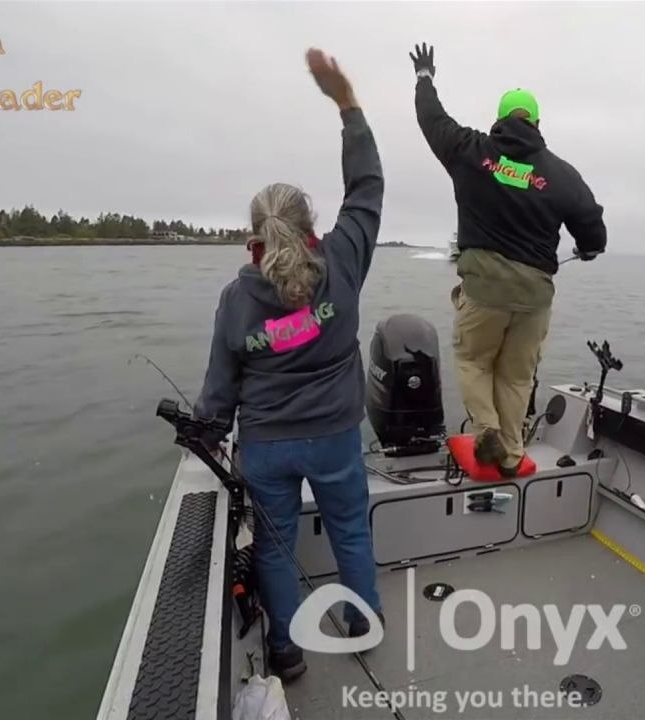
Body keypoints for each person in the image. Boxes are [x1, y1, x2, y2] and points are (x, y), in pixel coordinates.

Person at [193, 48, 383, 683]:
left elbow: (218, 396)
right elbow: (368, 189)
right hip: (335, 439)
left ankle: (286, 652)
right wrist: (347, 104)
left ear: (255, 235)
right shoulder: (346, 258)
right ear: (311, 228)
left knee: (275, 547)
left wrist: (206, 430)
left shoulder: (236, 297)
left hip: (268, 448)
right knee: (351, 532)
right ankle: (362, 625)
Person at [408, 42, 607, 476]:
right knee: (517, 378)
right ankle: (513, 453)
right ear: (536, 123)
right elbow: (592, 225)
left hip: (482, 289)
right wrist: (589, 247)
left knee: (474, 361)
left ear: (498, 121)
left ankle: (486, 432)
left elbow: (432, 121)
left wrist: (425, 78)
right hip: (535, 297)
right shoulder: (561, 174)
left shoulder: (469, 150)